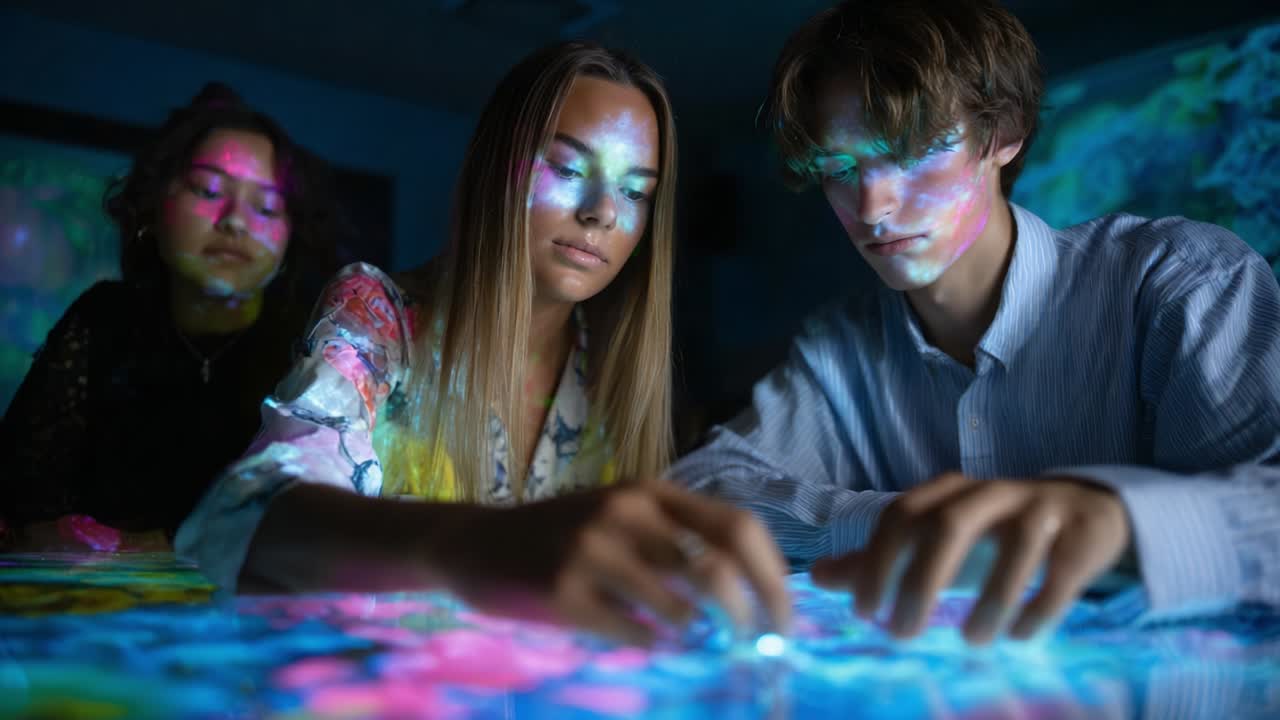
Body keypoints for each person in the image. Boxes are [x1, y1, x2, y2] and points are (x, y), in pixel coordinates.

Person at [670, 0, 1280, 645]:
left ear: (1005, 134)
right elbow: (698, 494)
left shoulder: (1181, 281)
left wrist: (1116, 522)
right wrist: (908, 523)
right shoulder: (840, 350)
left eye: (911, 153)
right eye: (839, 170)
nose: (873, 207)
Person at [175, 42, 789, 647]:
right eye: (569, 169)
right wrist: (476, 545)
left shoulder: (614, 366)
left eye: (634, 190)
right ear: (500, 168)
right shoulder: (378, 316)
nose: (602, 211)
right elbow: (242, 517)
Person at [0, 83, 340, 550]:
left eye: (265, 207)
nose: (236, 222)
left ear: (289, 241)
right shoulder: (103, 321)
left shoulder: (314, 346)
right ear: (153, 208)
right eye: (208, 189)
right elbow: (20, 491)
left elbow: (311, 518)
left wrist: (149, 546)